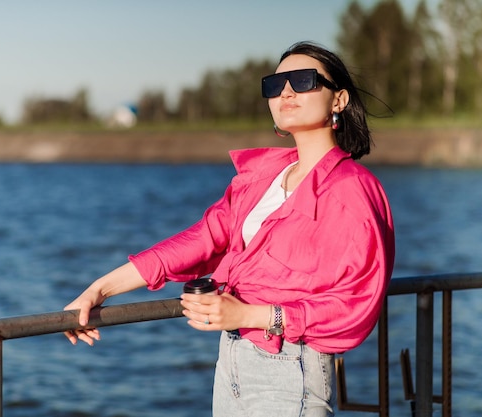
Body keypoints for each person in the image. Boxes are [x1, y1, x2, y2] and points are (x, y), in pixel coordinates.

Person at [64, 41, 395, 417]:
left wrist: (248, 316)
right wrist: (99, 289)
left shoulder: (350, 188)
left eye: (303, 81)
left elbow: (356, 303)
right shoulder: (262, 180)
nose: (286, 92)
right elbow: (199, 242)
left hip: (292, 369)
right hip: (232, 363)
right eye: (275, 84)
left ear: (339, 100)